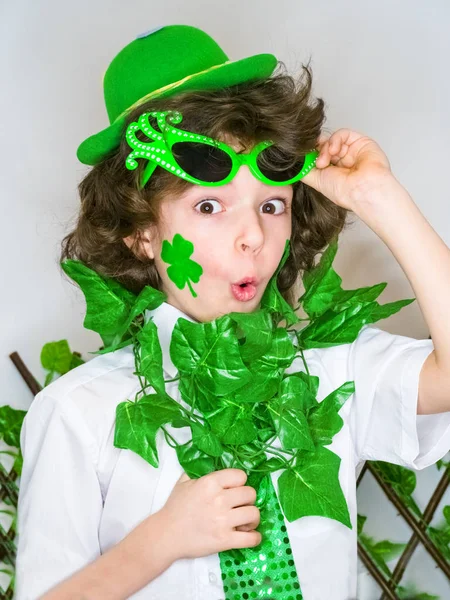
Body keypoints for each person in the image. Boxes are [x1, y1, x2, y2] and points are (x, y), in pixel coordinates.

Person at [14, 24, 450, 600]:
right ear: (142, 233)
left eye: (272, 204)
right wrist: (160, 541)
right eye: (210, 205)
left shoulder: (329, 373)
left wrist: (380, 198)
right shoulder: (77, 413)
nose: (252, 236)